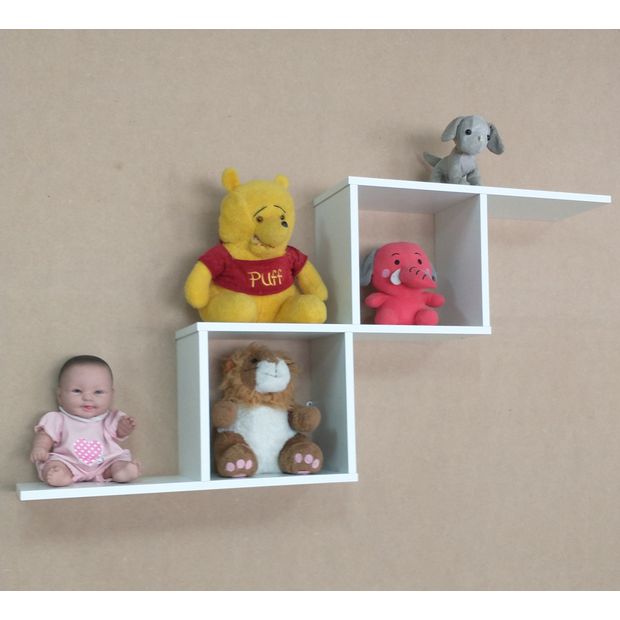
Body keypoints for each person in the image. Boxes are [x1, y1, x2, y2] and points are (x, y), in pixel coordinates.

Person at [30, 355, 140, 486]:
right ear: (60, 395)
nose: (88, 397)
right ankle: (61, 475)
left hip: (105, 463)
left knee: (118, 462)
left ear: (111, 395)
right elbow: (45, 435)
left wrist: (125, 427)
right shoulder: (57, 419)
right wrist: (40, 448)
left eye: (98, 392)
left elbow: (120, 432)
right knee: (53, 464)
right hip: (69, 463)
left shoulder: (111, 418)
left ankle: (122, 471)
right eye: (77, 391)